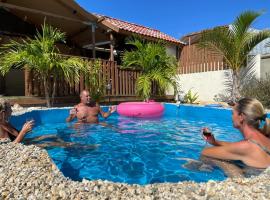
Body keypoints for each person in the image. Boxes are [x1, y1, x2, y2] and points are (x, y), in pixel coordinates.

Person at [201, 98, 270, 169]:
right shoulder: (263, 138)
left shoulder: (246, 146)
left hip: (254, 178)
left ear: (241, 117)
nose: (232, 117)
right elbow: (236, 147)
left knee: (207, 158)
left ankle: (237, 179)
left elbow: (205, 152)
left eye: (232, 113)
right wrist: (215, 142)